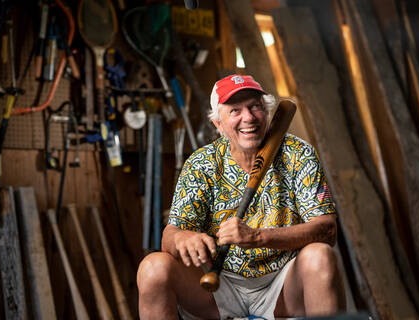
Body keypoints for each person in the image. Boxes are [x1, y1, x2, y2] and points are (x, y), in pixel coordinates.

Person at [137, 75, 346, 320]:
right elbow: (169, 239)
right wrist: (183, 237)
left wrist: (258, 237)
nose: (248, 117)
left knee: (320, 257)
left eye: (254, 106)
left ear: (267, 111)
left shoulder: (298, 154)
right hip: (218, 286)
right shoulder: (202, 163)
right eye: (235, 110)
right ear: (218, 123)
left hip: (282, 286)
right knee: (152, 268)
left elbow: (327, 231)